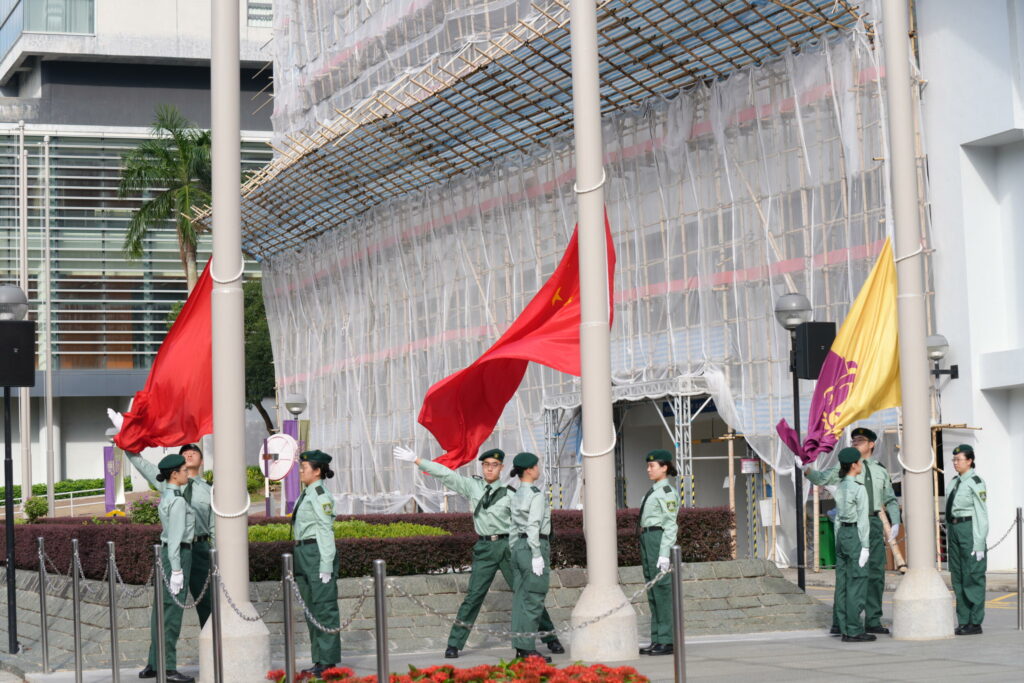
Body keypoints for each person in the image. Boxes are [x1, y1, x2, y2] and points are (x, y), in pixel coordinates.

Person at [393, 446, 563, 659]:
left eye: (494, 465)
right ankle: (455, 643)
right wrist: (418, 460)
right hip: (485, 547)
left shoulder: (512, 494)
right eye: (486, 465)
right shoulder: (472, 486)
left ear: (501, 468)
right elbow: (446, 474)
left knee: (526, 593)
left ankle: (550, 637)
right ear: (481, 467)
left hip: (509, 547)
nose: (490, 469)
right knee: (474, 596)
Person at [110, 410, 215, 629]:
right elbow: (142, 464)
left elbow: (214, 524)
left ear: (201, 460)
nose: (188, 454)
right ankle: (159, 659)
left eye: (193, 452)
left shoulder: (209, 490)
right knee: (170, 607)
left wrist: (217, 553)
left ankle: (214, 651)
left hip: (202, 549)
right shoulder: (169, 485)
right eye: (184, 452)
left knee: (209, 605)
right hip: (178, 550)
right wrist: (125, 435)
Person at [801, 427, 899, 635]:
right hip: (854, 526)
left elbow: (889, 499)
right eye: (854, 440)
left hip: (874, 524)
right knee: (850, 576)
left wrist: (895, 522)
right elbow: (821, 479)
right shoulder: (846, 467)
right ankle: (842, 621)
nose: (856, 443)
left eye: (861, 440)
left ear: (871, 444)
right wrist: (806, 469)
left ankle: (872, 620)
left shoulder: (880, 470)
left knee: (875, 575)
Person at [140, 454, 196, 682]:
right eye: (184, 470)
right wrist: (177, 570)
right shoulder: (179, 501)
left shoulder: (167, 493)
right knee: (172, 613)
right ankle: (169, 667)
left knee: (160, 611)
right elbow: (175, 539)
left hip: (165, 554)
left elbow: (144, 467)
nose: (187, 473)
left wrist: (128, 447)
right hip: (178, 555)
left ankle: (155, 663)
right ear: (174, 474)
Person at [292, 449, 342, 676]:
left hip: (317, 553)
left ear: (318, 471)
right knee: (311, 609)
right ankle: (318, 659)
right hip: (303, 552)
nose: (301, 471)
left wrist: (326, 565)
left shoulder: (320, 494)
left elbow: (325, 530)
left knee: (324, 609)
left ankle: (328, 661)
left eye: (304, 468)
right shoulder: (308, 493)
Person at [507, 452, 554, 662]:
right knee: (534, 598)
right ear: (529, 470)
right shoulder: (536, 494)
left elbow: (512, 526)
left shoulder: (516, 494)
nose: (538, 468)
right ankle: (528, 650)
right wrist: (536, 554)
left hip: (518, 546)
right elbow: (534, 525)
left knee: (520, 599)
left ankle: (520, 647)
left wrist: (514, 548)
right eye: (537, 465)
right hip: (534, 546)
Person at [637, 450, 679, 656]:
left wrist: (664, 554)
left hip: (657, 539)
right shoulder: (652, 491)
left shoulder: (667, 493)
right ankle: (657, 638)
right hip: (647, 538)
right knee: (652, 590)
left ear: (664, 468)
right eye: (648, 466)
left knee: (661, 590)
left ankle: (667, 640)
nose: (648, 469)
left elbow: (670, 525)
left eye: (652, 466)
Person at [833, 447, 874, 643]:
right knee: (857, 582)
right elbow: (863, 520)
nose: (862, 465)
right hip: (855, 535)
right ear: (853, 465)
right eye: (860, 462)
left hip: (842, 534)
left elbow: (837, 518)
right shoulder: (859, 488)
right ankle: (854, 629)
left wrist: (837, 540)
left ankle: (843, 627)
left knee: (842, 583)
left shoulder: (840, 486)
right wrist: (865, 546)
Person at [946, 444, 988, 635]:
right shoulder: (954, 482)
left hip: (968, 528)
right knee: (958, 575)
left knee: (973, 575)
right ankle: (963, 620)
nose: (955, 463)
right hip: (954, 529)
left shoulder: (975, 482)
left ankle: (975, 621)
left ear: (969, 461)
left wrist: (979, 543)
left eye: (959, 460)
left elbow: (981, 514)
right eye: (954, 460)